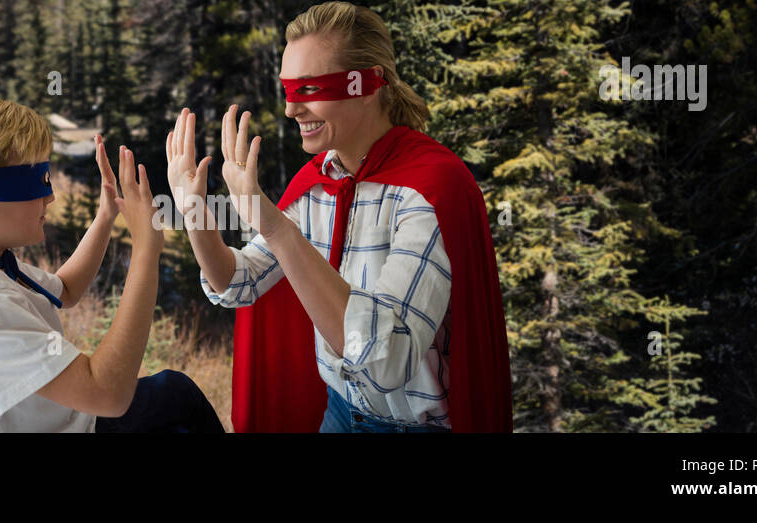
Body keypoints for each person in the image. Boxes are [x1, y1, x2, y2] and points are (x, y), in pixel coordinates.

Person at [166, 1, 512, 433]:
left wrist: (275, 227)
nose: (292, 110)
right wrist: (194, 212)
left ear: (368, 85)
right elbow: (239, 282)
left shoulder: (429, 191)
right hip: (338, 414)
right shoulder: (317, 183)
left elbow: (389, 359)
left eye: (310, 89)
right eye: (290, 90)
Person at [0, 93, 223, 433]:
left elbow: (65, 290)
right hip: (85, 416)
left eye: (46, 177)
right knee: (175, 400)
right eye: (32, 183)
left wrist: (105, 216)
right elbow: (108, 394)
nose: (50, 196)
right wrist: (145, 250)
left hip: (72, 418)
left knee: (173, 394)